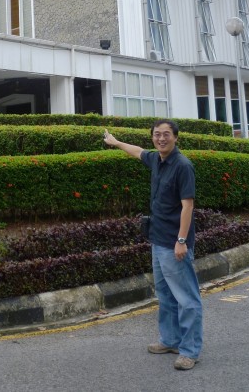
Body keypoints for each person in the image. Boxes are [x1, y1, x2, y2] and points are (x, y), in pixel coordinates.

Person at [103, 119, 203, 371]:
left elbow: (188, 205)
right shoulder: (156, 160)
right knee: (166, 296)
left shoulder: (182, 166)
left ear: (176, 137)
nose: (161, 138)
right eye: (157, 134)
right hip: (157, 240)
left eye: (166, 134)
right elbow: (138, 152)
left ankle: (190, 351)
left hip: (174, 243)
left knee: (187, 298)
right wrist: (115, 143)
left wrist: (181, 240)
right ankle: (170, 340)